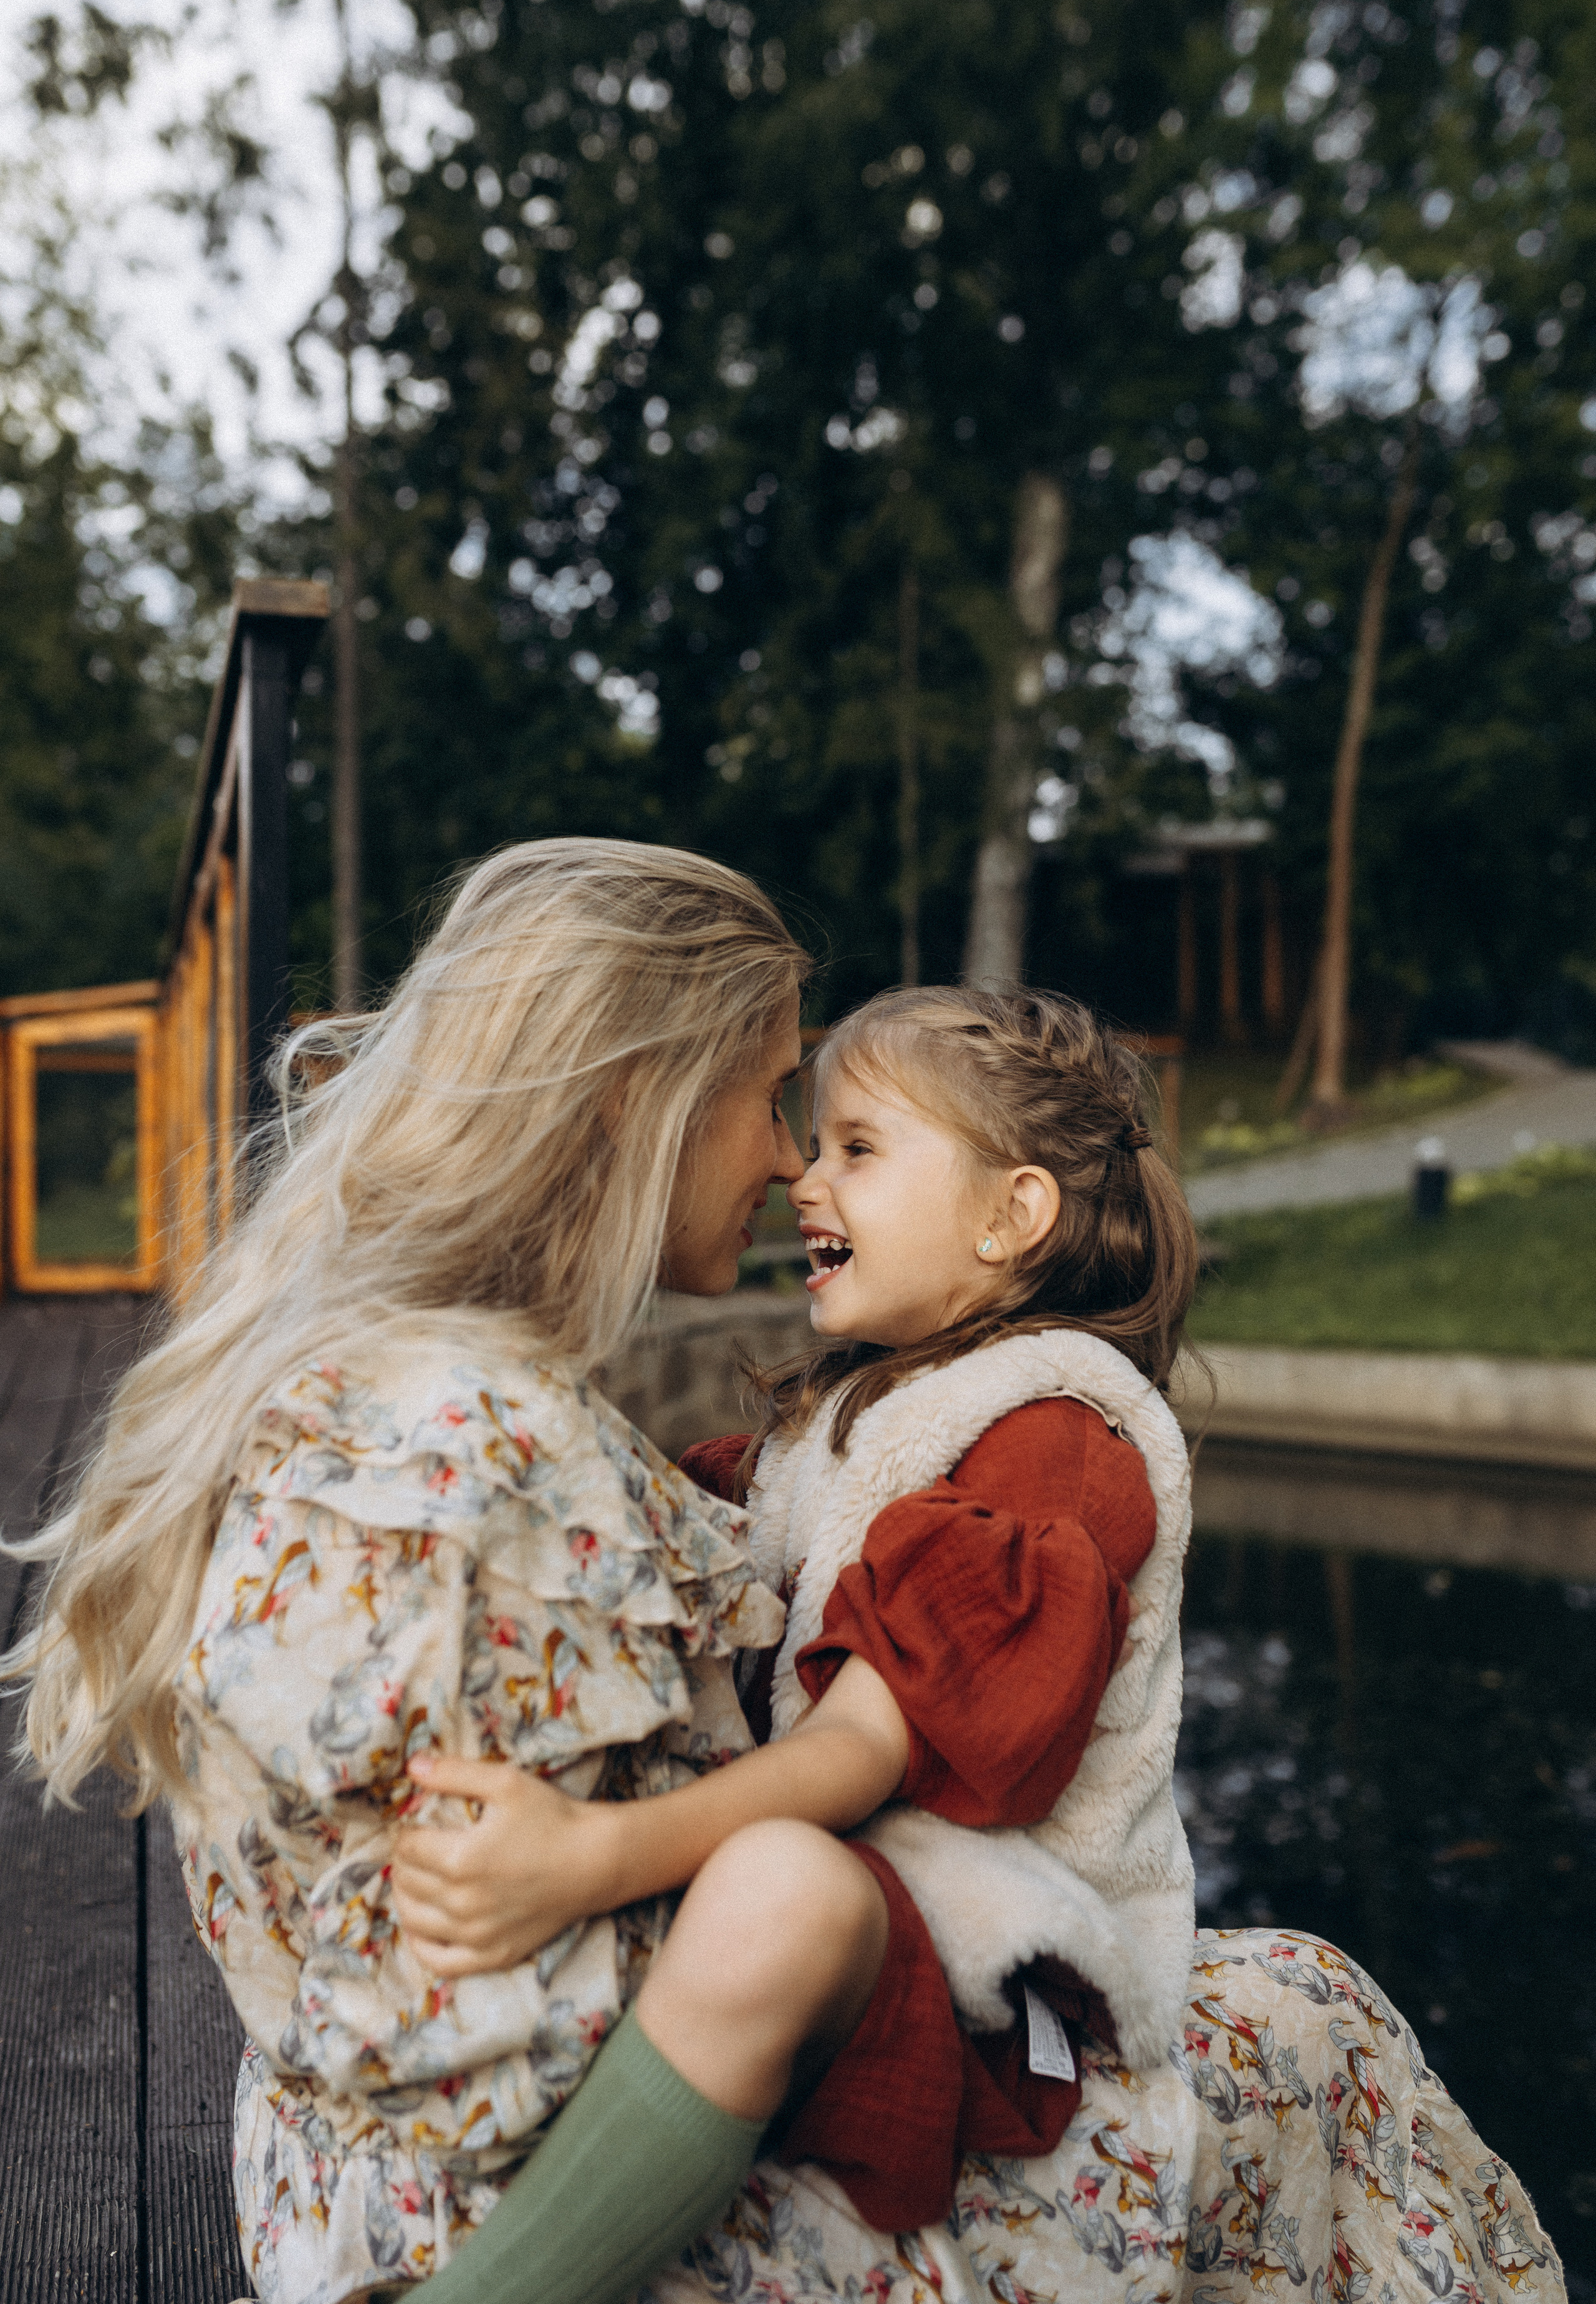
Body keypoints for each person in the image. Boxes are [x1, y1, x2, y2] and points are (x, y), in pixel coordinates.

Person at [393, 986, 1566, 2304]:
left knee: (776, 1888)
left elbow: (858, 1744)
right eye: (810, 1137)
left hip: (1004, 1987)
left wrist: (591, 1856)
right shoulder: (833, 1428)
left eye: (855, 1146)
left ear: (1011, 1216)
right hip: (880, 1934)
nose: (800, 1175)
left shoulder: (1058, 1440)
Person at [4, 839, 904, 2304]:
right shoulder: (485, 1444)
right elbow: (509, 2048)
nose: (792, 1156)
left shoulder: (358, 1379)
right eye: (767, 1095)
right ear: (636, 1094)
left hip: (326, 2189)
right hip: (514, 2235)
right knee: (1293, 2027)